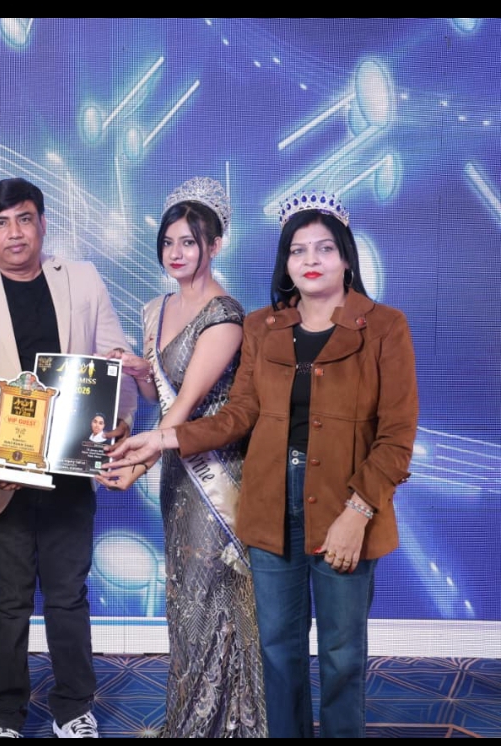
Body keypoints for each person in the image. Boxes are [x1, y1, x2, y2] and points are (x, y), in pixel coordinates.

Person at [103, 191, 419, 738]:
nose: (311, 260)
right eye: (298, 250)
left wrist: (358, 511)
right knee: (277, 648)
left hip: (345, 504)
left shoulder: (385, 327)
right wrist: (162, 439)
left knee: (342, 654)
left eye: (324, 248)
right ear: (285, 261)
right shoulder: (262, 326)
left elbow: (395, 438)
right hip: (269, 502)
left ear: (346, 257)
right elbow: (238, 415)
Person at [0, 177, 139, 738]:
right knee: (7, 601)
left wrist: (119, 420)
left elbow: (115, 360)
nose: (14, 233)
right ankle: (4, 715)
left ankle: (74, 708)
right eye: (0, 223)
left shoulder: (83, 278)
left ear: (42, 223)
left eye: (24, 219)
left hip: (70, 471)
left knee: (68, 596)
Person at [96, 177, 266, 737]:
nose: (176, 252)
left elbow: (188, 404)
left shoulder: (225, 315)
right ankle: (192, 718)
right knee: (184, 601)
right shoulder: (155, 307)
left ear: (214, 245)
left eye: (189, 242)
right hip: (174, 471)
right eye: (168, 242)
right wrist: (138, 371)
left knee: (215, 598)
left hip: (214, 475)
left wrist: (136, 464)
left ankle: (221, 724)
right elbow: (158, 397)